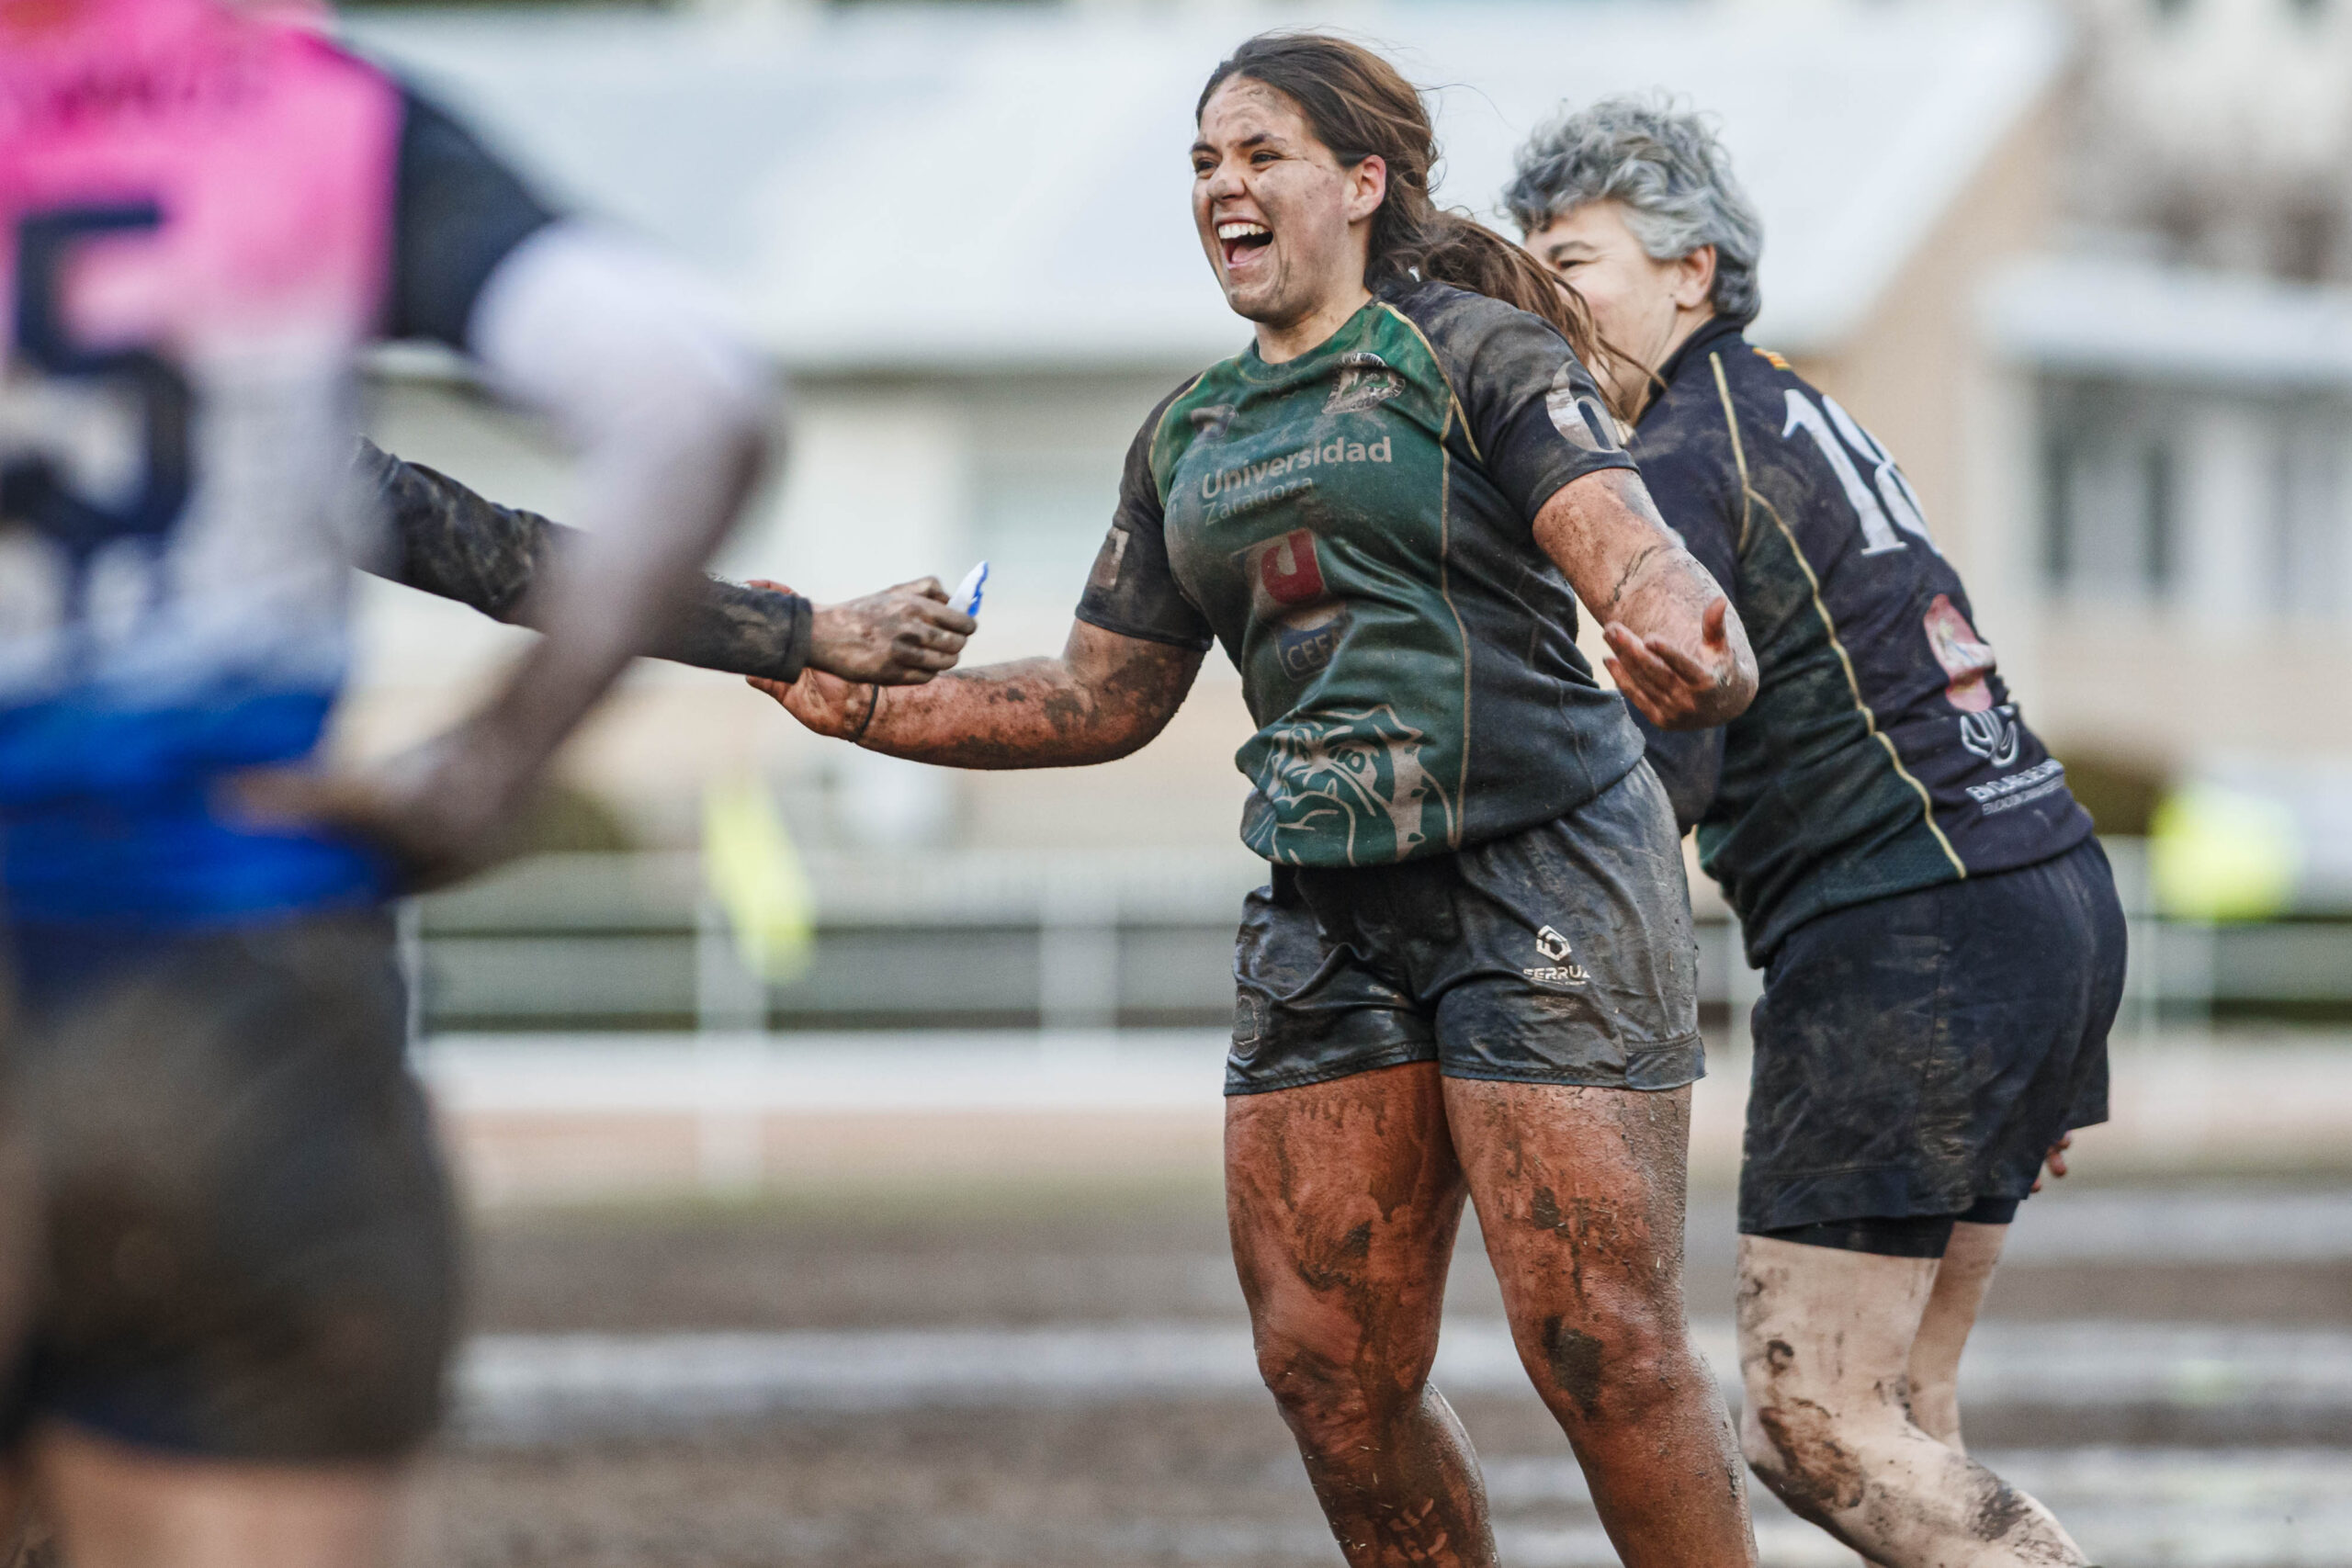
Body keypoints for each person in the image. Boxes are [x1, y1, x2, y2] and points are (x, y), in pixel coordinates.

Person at [741, 33, 1763, 1568]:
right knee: (1328, 1377)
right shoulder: (1189, 434)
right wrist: (851, 696)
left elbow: (1617, 533)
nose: (1225, 185)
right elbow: (1099, 697)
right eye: (1207, 164)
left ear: (1362, 184)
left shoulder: (1476, 352)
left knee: (1600, 1349)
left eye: (1261, 154)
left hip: (1542, 873)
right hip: (1328, 904)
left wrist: (1678, 614)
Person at [0, 1, 950, 1562]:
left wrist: (796, 630)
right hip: (224, 998)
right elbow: (667, 412)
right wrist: (480, 779)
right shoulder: (299, 113)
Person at [1501, 97, 2125, 1567]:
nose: (1540, 294)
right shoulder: (1786, 402)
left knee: (1811, 1426)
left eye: (1572, 258)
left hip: (1914, 928)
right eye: (1524, 262)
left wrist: (1514, 955)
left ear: (1693, 273)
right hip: (2035, 893)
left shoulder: (1675, 458)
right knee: (1902, 1408)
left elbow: (1665, 770)